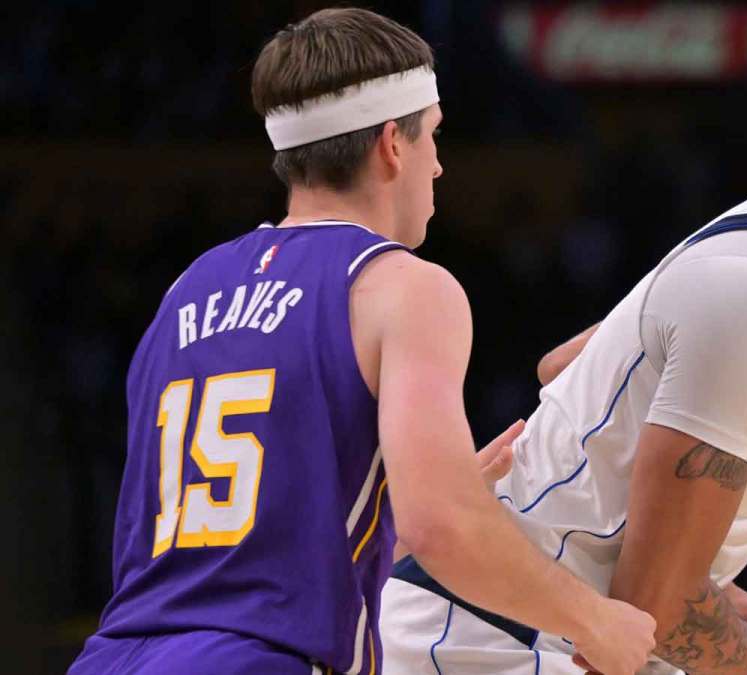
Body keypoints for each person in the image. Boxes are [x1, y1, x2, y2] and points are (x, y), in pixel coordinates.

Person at [67, 8, 655, 675]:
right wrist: (595, 619)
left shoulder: (184, 289)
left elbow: (222, 549)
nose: (438, 166)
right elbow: (444, 529)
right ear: (391, 144)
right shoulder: (400, 286)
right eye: (433, 136)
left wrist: (387, 507)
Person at [381, 35, 747, 675]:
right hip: (486, 636)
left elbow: (566, 366)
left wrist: (746, 614)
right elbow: (659, 608)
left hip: (587, 633)